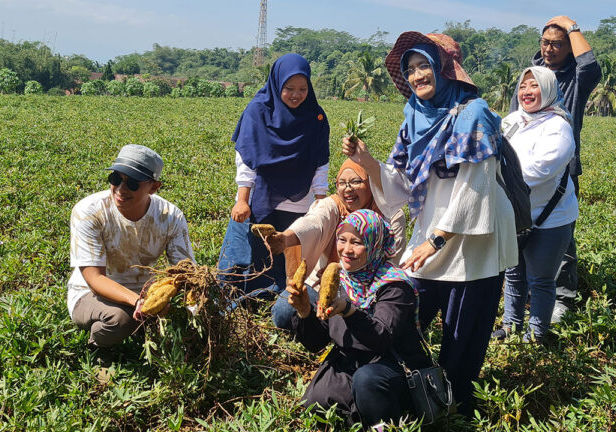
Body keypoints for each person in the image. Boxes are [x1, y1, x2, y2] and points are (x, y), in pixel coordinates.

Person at [342, 32, 517, 416]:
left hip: (474, 238)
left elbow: (476, 188)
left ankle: (455, 404)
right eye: (411, 69)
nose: (417, 75)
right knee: (407, 314)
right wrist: (368, 161)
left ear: (445, 69)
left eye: (424, 66)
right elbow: (401, 185)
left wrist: (434, 242)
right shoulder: (414, 116)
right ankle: (409, 386)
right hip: (432, 229)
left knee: (463, 328)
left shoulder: (475, 114)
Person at [288, 209, 429, 427]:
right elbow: (316, 343)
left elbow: (382, 338)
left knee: (367, 381)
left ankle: (389, 422)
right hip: (352, 360)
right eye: (342, 240)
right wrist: (305, 312)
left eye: (357, 242)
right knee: (316, 403)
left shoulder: (394, 286)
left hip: (392, 365)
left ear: (374, 244)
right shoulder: (339, 281)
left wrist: (349, 311)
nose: (346, 249)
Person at [510, 15, 601, 322]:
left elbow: (590, 66)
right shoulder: (529, 76)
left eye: (557, 44)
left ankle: (560, 297)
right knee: (521, 231)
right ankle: (524, 304)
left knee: (558, 234)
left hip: (560, 167)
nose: (549, 49)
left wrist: (573, 27)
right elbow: (513, 119)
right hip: (521, 171)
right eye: (545, 42)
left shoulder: (576, 77)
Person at [217, 53, 330, 298]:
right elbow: (247, 159)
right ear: (277, 83)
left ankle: (274, 304)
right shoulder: (258, 110)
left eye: (302, 88)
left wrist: (321, 200)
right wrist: (242, 200)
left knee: (283, 257)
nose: (296, 95)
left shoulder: (316, 117)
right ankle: (235, 300)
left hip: (299, 201)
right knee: (247, 253)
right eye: (289, 88)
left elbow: (321, 162)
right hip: (261, 197)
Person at [68, 144, 194, 349]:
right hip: (90, 293)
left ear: (154, 187)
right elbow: (94, 279)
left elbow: (185, 270)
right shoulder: (89, 212)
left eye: (132, 183)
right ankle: (98, 350)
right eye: (116, 179)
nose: (121, 189)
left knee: (184, 320)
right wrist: (137, 301)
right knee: (120, 320)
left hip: (143, 293)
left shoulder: (171, 216)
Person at [268, 159, 407, 329]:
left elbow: (392, 259)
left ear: (371, 183)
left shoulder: (390, 214)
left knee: (369, 323)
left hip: (369, 287)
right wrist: (286, 238)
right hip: (320, 282)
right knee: (283, 315)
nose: (348, 188)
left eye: (356, 181)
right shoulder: (332, 205)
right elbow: (313, 223)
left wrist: (338, 277)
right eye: (342, 182)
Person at [495, 67, 577, 343]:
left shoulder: (559, 125)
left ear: (549, 89)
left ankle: (538, 333)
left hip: (550, 219)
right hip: (515, 215)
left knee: (541, 279)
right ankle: (511, 325)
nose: (527, 92)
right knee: (513, 274)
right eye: (523, 86)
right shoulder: (509, 122)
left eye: (534, 86)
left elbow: (542, 168)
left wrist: (499, 175)